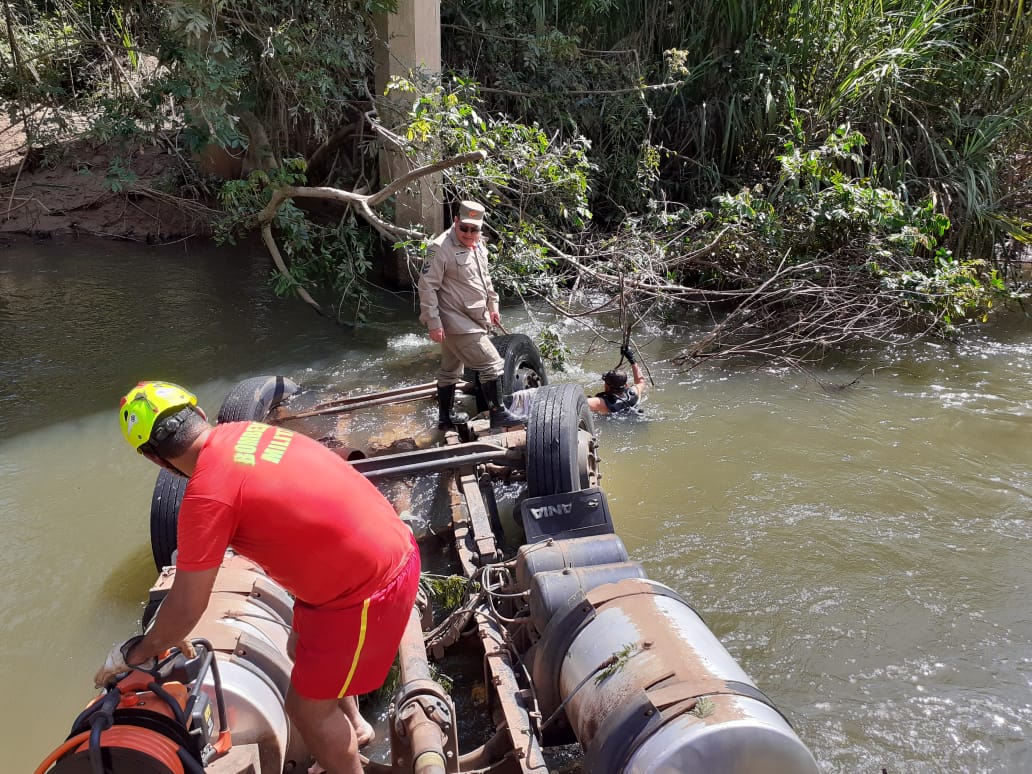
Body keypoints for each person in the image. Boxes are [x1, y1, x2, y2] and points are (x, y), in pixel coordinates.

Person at [96, 381, 421, 774]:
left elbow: (186, 607)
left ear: (155, 459)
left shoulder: (206, 497)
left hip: (369, 588)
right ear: (199, 414)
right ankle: (355, 726)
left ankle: (344, 756)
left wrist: (132, 654)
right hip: (383, 549)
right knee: (298, 648)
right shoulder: (248, 432)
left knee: (306, 711)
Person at [418, 200, 524, 429]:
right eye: (463, 228)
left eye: (473, 229)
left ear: (480, 228)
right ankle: (498, 414)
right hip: (456, 321)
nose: (468, 233)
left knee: (450, 371)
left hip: (474, 317)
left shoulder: (478, 245)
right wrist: (433, 322)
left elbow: (485, 279)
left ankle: (445, 418)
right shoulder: (439, 248)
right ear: (456, 221)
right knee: (492, 364)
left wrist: (493, 306)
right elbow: (427, 286)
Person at [586, 345, 648, 415]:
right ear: (626, 385)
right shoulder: (633, 394)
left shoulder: (602, 403)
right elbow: (641, 382)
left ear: (607, 386)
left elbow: (580, 403)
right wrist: (632, 359)